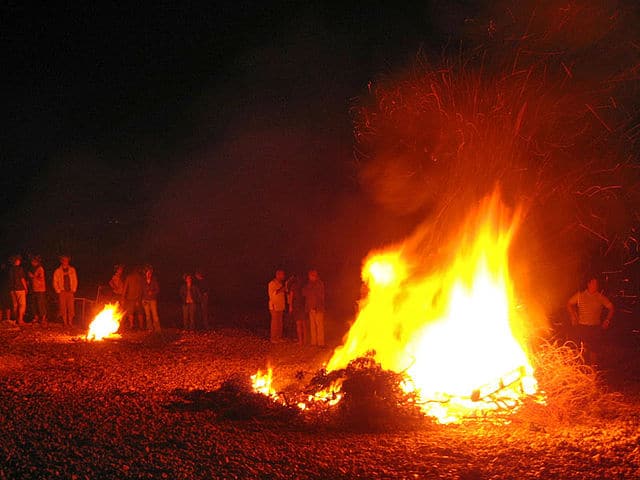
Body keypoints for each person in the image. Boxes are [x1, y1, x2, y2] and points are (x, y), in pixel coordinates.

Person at [567, 275, 614, 364]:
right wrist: (573, 315)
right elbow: (569, 303)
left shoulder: (600, 297)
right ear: (588, 284)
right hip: (582, 326)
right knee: (581, 349)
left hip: (595, 328)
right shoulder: (580, 295)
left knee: (594, 350)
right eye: (594, 283)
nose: (596, 285)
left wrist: (607, 320)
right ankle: (580, 368)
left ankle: (593, 370)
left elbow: (611, 308)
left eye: (597, 284)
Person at [53, 255, 78, 328]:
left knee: (71, 307)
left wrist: (74, 289)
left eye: (66, 260)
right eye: (63, 260)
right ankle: (65, 323)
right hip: (62, 291)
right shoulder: (57, 271)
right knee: (63, 307)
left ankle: (70, 323)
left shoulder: (72, 270)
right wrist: (58, 290)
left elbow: (75, 280)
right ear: (61, 261)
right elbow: (55, 281)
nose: (65, 262)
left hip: (70, 291)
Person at [303, 269, 325, 346]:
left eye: (311, 275)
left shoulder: (319, 284)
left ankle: (321, 343)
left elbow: (319, 296)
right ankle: (314, 342)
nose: (310, 277)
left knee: (319, 326)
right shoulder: (309, 284)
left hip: (318, 308)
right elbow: (304, 293)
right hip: (310, 308)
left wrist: (316, 306)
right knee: (312, 326)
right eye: (309, 276)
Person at [287, 275, 307, 345]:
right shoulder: (303, 285)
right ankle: (305, 340)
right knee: (303, 323)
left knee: (298, 324)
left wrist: (290, 306)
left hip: (297, 306)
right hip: (302, 305)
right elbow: (305, 295)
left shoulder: (294, 286)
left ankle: (301, 341)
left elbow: (291, 297)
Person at [268, 269, 287, 343]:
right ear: (278, 275)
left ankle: (279, 337)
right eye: (282, 275)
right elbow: (273, 293)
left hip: (280, 306)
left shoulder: (281, 283)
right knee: (275, 323)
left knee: (280, 322)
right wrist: (282, 289)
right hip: (274, 306)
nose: (283, 276)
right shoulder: (272, 283)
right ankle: (273, 338)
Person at [9, 255, 28, 326]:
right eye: (19, 260)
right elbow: (22, 279)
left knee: (15, 305)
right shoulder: (20, 269)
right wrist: (26, 288)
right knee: (22, 305)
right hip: (20, 288)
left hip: (12, 289)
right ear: (16, 261)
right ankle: (20, 320)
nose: (20, 261)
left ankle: (15, 319)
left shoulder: (10, 269)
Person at [29, 255, 47, 326]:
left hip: (40, 289)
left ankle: (43, 318)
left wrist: (33, 276)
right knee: (34, 303)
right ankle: (36, 317)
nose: (32, 263)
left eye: (33, 261)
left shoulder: (40, 269)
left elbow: (40, 278)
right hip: (34, 289)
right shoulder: (32, 269)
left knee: (40, 303)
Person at [142, 265, 160, 332]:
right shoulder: (143, 280)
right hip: (145, 300)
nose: (149, 274)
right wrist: (142, 299)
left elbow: (157, 289)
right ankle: (150, 328)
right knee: (148, 315)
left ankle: (157, 328)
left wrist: (152, 292)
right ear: (146, 273)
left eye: (150, 273)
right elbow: (141, 290)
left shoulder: (154, 280)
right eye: (148, 272)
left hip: (153, 300)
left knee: (155, 314)